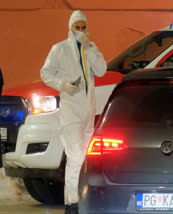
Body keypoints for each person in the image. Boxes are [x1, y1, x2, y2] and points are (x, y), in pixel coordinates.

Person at [40, 10, 106, 214]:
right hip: (70, 110)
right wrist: (63, 84)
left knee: (84, 157)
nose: (80, 31)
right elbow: (45, 72)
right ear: (70, 27)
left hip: (88, 111)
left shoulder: (91, 48)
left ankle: (77, 201)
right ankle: (74, 204)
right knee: (76, 155)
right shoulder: (59, 49)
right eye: (77, 27)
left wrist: (89, 48)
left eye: (83, 27)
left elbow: (102, 69)